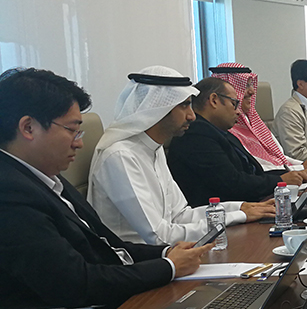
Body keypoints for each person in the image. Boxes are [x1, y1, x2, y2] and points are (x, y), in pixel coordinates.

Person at [0, 68, 209, 309]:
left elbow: (109, 245)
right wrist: (167, 267)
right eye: (72, 130)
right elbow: (75, 283)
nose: (80, 142)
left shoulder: (46, 177)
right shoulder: (8, 194)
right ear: (28, 127)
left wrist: (166, 253)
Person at [88, 68, 275, 245]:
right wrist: (238, 216)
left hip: (172, 254)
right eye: (184, 106)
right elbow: (159, 237)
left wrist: (241, 208)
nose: (192, 116)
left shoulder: (154, 149)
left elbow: (181, 215)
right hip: (140, 262)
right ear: (159, 108)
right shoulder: (120, 156)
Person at [168, 77, 307, 206]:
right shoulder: (196, 135)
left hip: (248, 205)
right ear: (214, 100)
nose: (238, 111)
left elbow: (253, 174)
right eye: (234, 104)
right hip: (224, 215)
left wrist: (294, 174)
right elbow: (232, 184)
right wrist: (280, 180)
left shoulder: (219, 132)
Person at [210, 63, 307, 174]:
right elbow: (256, 167)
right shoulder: (225, 128)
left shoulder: (252, 120)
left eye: (251, 85)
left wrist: (303, 165)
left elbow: (280, 157)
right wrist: (300, 168)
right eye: (245, 86)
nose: (252, 91)